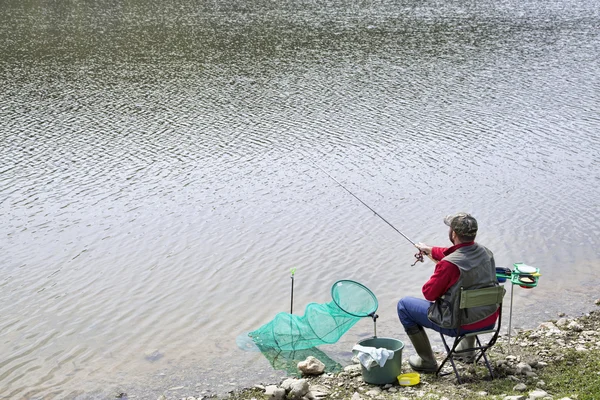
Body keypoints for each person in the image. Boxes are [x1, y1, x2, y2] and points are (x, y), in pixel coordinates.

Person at [397, 212, 500, 372]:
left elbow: (429, 294)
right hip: (488, 319)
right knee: (472, 293)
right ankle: (467, 353)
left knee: (404, 306)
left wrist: (440, 269)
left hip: (459, 324)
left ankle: (427, 361)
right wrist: (429, 249)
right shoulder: (486, 253)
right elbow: (458, 252)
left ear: (453, 233)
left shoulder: (448, 265)